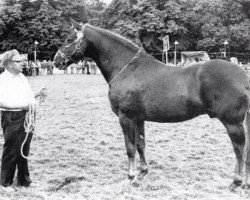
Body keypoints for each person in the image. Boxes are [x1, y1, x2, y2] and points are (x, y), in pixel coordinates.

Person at [0, 49, 46, 191]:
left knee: (24, 148)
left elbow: (26, 96)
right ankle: (4, 183)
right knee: (12, 149)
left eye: (22, 61)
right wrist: (24, 106)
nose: (23, 63)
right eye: (18, 61)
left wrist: (38, 94)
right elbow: (1, 102)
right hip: (12, 117)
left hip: (27, 116)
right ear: (8, 64)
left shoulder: (22, 77)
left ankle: (23, 180)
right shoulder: (3, 80)